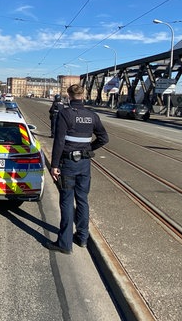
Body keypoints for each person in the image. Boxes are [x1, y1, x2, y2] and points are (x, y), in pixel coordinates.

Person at [46, 84, 108, 254]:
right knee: (82, 200)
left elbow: (59, 141)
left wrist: (54, 165)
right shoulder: (92, 115)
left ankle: (65, 243)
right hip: (84, 165)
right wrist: (88, 150)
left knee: (67, 201)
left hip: (68, 164)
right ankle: (82, 238)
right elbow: (104, 138)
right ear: (83, 95)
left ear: (69, 96)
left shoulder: (65, 114)